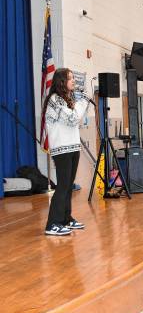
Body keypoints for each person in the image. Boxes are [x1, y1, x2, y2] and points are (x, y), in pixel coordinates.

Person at [43, 68, 91, 236]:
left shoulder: (67, 99)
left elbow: (74, 118)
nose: (73, 81)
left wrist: (80, 101)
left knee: (68, 186)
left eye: (73, 78)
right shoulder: (54, 100)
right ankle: (52, 224)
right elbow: (72, 119)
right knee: (62, 186)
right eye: (70, 78)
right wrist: (83, 101)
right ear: (61, 81)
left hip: (72, 147)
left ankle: (65, 218)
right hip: (61, 149)